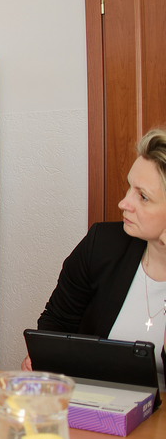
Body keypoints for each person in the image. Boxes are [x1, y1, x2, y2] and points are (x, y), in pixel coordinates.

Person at [22, 129, 166, 391]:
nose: (124, 203)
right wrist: (47, 359)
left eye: (143, 197)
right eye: (129, 187)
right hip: (96, 400)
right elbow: (57, 322)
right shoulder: (102, 244)